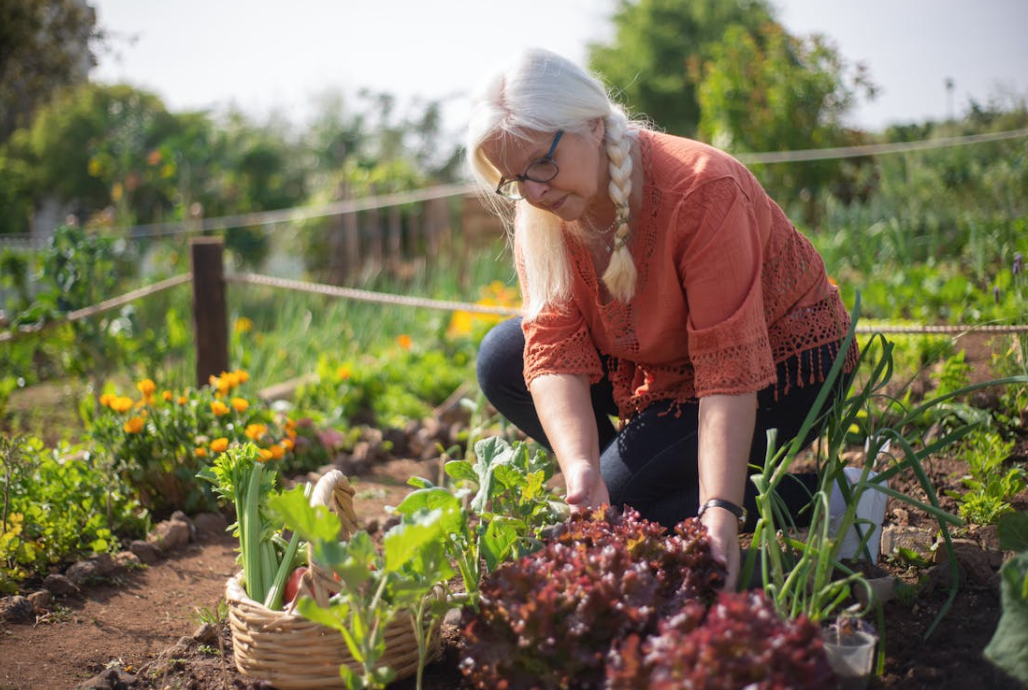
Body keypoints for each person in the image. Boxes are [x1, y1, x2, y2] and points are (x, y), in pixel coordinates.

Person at [466, 48, 858, 587]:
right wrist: (581, 468)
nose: (533, 192)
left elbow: (728, 368)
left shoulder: (702, 188)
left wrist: (719, 508)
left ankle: (834, 498)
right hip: (667, 361)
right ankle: (635, 487)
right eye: (514, 179)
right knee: (503, 357)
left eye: (541, 162)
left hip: (785, 360)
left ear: (595, 126)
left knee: (627, 502)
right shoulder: (544, 211)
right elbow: (553, 345)